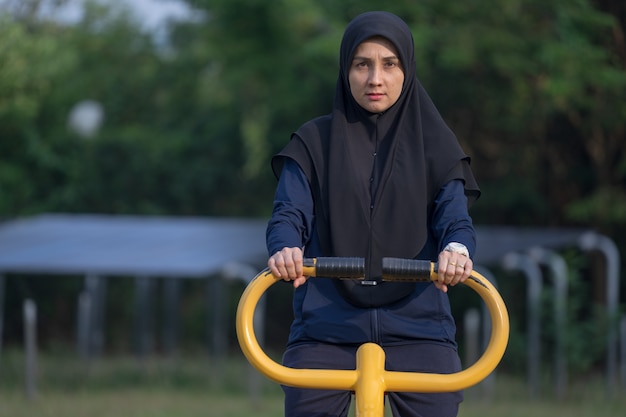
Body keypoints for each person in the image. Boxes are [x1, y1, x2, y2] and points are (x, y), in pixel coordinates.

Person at [266, 11, 480, 417]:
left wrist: (456, 250)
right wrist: (285, 248)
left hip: (418, 326)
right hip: (326, 326)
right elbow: (287, 215)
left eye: (389, 64)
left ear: (407, 69)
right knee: (305, 404)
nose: (375, 79)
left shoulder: (437, 145)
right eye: (362, 64)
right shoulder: (313, 142)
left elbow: (456, 219)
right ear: (346, 70)